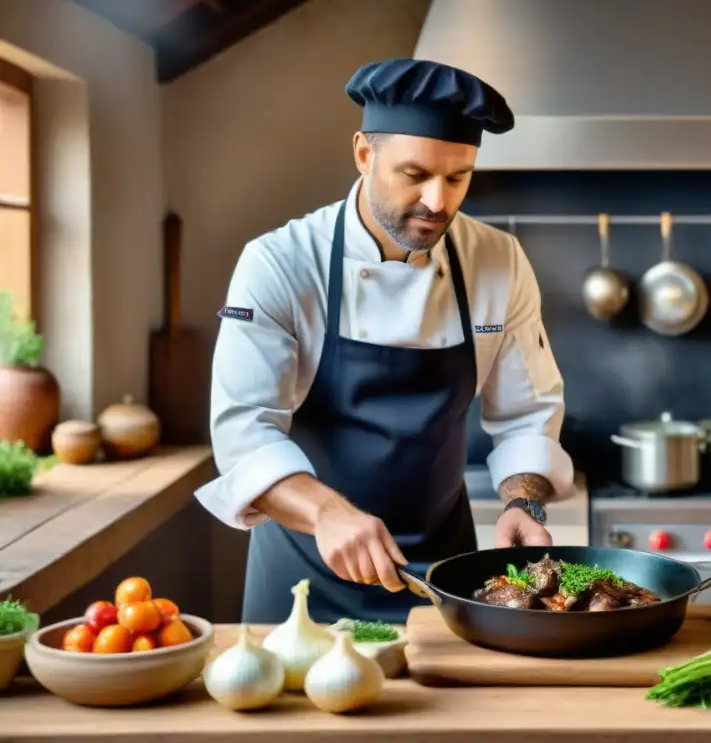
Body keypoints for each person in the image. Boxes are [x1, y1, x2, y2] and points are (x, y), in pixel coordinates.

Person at [194, 58, 575, 625]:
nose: (438, 203)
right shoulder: (280, 263)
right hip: (306, 572)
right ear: (364, 155)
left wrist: (523, 500)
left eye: (458, 178)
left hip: (446, 571)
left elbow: (527, 414)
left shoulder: (498, 261)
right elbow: (244, 432)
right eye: (414, 175)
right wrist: (327, 513)